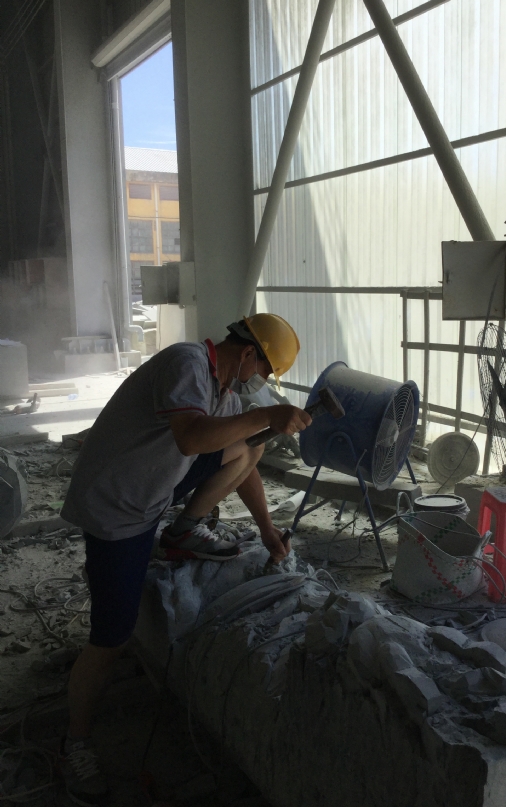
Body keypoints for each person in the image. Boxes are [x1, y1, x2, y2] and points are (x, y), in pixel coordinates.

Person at [57, 313, 311, 805]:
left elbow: (241, 462)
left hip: (153, 491)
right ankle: (76, 742)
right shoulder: (187, 363)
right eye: (262, 372)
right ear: (248, 353)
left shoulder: (224, 394)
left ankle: (184, 529)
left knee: (250, 450)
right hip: (119, 510)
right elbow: (191, 438)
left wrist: (266, 529)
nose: (258, 384)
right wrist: (268, 415)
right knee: (111, 638)